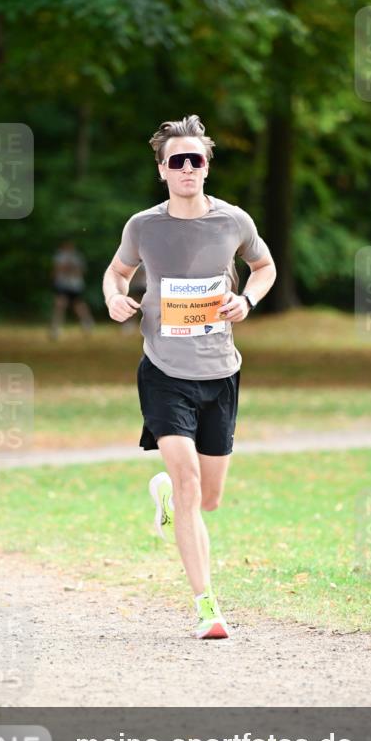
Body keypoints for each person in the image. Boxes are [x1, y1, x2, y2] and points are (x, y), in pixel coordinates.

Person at [103, 115, 276, 639]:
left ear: (207, 166)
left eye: (194, 159)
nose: (185, 168)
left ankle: (167, 497)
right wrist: (115, 299)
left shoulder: (234, 222)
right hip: (163, 369)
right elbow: (117, 273)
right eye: (175, 160)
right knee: (188, 479)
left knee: (208, 498)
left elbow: (264, 267)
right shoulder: (143, 226)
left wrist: (245, 300)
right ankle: (207, 606)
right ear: (161, 169)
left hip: (220, 371)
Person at [49, 240, 94, 339]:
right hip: (62, 285)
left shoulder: (77, 257)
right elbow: (57, 270)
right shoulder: (60, 256)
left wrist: (69, 268)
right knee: (60, 305)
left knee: (79, 306)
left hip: (75, 285)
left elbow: (80, 271)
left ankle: (87, 323)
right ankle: (56, 328)